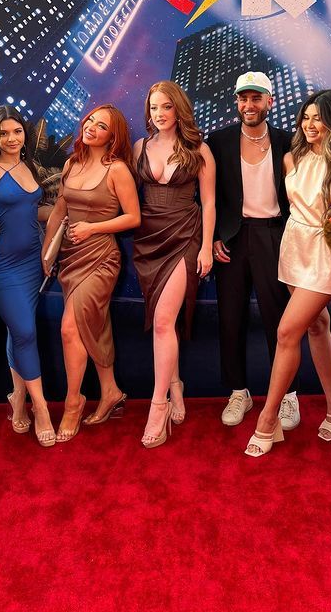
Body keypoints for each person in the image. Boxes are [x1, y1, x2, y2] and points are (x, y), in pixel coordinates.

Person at [244, 89, 331, 457]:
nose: (310, 125)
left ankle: (267, 419)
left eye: (318, 119)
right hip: (294, 248)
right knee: (317, 325)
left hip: (326, 255)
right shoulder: (291, 158)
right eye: (306, 118)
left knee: (286, 332)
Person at [42, 104, 140, 442]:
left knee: (70, 327)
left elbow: (133, 217)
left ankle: (74, 402)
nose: (92, 127)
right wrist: (47, 250)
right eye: (90, 121)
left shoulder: (118, 170)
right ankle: (110, 391)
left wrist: (92, 228)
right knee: (92, 325)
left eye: (102, 126)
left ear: (113, 137)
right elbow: (60, 210)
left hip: (101, 258)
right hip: (70, 258)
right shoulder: (72, 163)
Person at [208, 71, 299, 430]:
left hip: (273, 235)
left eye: (256, 98)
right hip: (232, 238)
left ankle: (288, 395)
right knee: (230, 318)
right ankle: (238, 391)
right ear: (237, 102)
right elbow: (208, 195)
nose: (249, 105)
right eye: (243, 98)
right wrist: (215, 235)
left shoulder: (287, 141)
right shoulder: (219, 141)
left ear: (269, 102)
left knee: (280, 320)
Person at [133, 81, 216, 448]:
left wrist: (206, 248)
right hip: (148, 240)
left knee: (163, 321)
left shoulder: (199, 150)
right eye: (154, 108)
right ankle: (176, 385)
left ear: (179, 109)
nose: (159, 114)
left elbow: (209, 202)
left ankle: (158, 405)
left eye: (166, 107)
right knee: (163, 321)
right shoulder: (140, 147)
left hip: (185, 235)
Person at [0, 106, 55, 447]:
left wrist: (67, 210)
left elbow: (31, 210)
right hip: (2, 265)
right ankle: (42, 407)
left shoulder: (28, 166)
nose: (11, 138)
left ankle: (18, 397)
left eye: (17, 131)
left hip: (33, 260)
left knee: (19, 333)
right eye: (3, 133)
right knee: (25, 331)